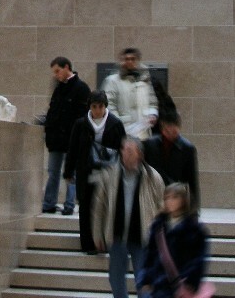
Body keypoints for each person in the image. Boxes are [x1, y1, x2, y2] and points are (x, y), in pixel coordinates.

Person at [91, 137, 165, 298]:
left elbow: (162, 209)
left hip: (142, 236)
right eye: (123, 150)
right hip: (116, 235)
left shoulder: (153, 177)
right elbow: (99, 207)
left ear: (139, 154)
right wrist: (97, 234)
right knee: (116, 278)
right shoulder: (109, 175)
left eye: (130, 151)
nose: (125, 154)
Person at [65, 90, 125, 254]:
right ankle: (88, 244)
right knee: (85, 207)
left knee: (107, 206)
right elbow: (73, 149)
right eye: (94, 106)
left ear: (105, 106)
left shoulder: (115, 124)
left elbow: (123, 149)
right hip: (86, 172)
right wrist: (68, 172)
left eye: (100, 106)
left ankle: (105, 241)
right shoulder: (80, 124)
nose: (97, 110)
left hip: (108, 172)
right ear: (89, 107)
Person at [138, 182, 210, 298]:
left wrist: (189, 281)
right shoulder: (158, 226)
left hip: (182, 286)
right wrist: (146, 279)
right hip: (159, 286)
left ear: (183, 200)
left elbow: (198, 259)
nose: (170, 201)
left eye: (175, 197)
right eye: (167, 198)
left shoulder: (195, 229)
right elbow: (149, 255)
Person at [42, 57, 91, 215]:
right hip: (56, 139)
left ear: (67, 67)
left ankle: (69, 205)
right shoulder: (58, 88)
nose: (56, 75)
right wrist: (49, 132)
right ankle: (49, 203)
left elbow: (83, 117)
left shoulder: (81, 88)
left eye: (58, 71)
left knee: (71, 173)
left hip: (71, 139)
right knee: (53, 172)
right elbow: (52, 112)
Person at [143, 112, 200, 211]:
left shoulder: (188, 149)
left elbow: (192, 181)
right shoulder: (150, 145)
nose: (170, 134)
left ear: (179, 128)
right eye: (167, 131)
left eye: (174, 131)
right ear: (162, 128)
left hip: (176, 197)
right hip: (154, 196)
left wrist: (194, 210)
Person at [102, 47, 158, 140]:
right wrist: (118, 125)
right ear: (122, 61)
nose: (130, 62)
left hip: (144, 134)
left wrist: (152, 114)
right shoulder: (112, 81)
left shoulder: (145, 81)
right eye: (127, 59)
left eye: (133, 59)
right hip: (123, 134)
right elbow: (109, 105)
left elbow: (152, 102)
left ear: (138, 61)